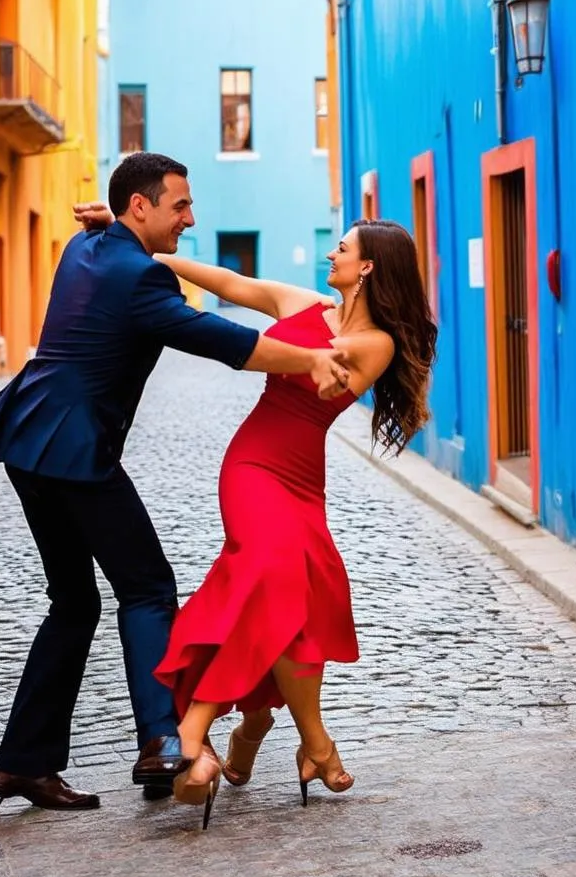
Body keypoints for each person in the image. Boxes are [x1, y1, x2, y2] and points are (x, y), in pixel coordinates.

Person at [0, 152, 352, 816]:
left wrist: (113, 224)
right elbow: (224, 342)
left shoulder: (85, 246)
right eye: (179, 205)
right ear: (141, 207)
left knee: (73, 603)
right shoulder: (142, 281)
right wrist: (313, 357)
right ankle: (162, 741)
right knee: (147, 587)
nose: (191, 216)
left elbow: (130, 252)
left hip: (26, 437)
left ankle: (22, 764)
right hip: (74, 448)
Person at [75, 205, 437, 830]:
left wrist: (261, 346)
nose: (332, 253)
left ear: (367, 267)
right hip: (250, 466)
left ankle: (262, 732)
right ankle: (221, 727)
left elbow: (308, 366)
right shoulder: (300, 304)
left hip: (301, 480)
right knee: (270, 572)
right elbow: (229, 283)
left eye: (343, 248)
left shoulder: (375, 342)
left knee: (304, 596)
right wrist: (139, 245)